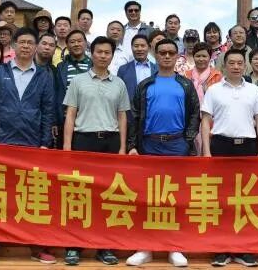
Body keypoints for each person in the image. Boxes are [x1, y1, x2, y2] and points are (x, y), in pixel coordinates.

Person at [0, 27, 56, 265]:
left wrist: (45, 143)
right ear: (14, 45)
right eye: (22, 42)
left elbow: (48, 111)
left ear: (36, 47)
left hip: (32, 143)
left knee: (33, 195)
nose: (26, 46)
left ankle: (37, 245)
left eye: (30, 42)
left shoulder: (44, 75)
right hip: (1, 142)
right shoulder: (0, 73)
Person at [126, 39, 200, 268]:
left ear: (177, 56)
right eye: (162, 53)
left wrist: (187, 141)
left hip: (177, 145)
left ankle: (175, 247)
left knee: (175, 197)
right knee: (148, 197)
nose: (167, 56)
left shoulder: (185, 84)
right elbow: (134, 116)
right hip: (150, 145)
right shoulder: (145, 85)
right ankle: (145, 248)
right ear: (155, 55)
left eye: (171, 53)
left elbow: (194, 114)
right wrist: (132, 145)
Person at [62, 36, 130, 266]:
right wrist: (67, 146)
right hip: (84, 141)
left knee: (108, 195)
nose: (103, 56)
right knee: (79, 193)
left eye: (107, 52)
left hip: (110, 143)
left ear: (112, 56)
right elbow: (70, 114)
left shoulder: (119, 83)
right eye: (99, 52)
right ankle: (74, 246)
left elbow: (122, 116)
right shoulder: (78, 81)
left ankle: (105, 246)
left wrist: (122, 147)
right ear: (92, 53)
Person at [202, 49, 258, 268]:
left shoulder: (253, 90)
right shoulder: (213, 90)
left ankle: (243, 249)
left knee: (245, 199)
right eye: (232, 63)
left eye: (240, 63)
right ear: (224, 66)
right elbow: (205, 121)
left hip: (247, 148)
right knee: (221, 199)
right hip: (221, 146)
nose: (236, 66)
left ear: (245, 66)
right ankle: (221, 249)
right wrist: (207, 152)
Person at [53, 30, 93, 149]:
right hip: (65, 119)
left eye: (79, 41)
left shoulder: (94, 65)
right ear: (67, 45)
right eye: (72, 42)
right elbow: (55, 94)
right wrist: (55, 120)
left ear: (85, 43)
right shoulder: (61, 67)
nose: (76, 44)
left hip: (89, 120)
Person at [184, 42, 223, 154]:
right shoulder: (185, 75)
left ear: (210, 57)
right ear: (193, 57)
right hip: (190, 119)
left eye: (204, 56)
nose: (201, 59)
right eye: (198, 56)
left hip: (212, 119)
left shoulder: (218, 76)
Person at [117, 34, 157, 113]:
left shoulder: (157, 69)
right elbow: (119, 94)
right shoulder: (123, 69)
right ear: (131, 48)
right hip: (130, 114)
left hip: (153, 112)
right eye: (136, 46)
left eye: (143, 46)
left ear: (149, 48)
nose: (139, 49)